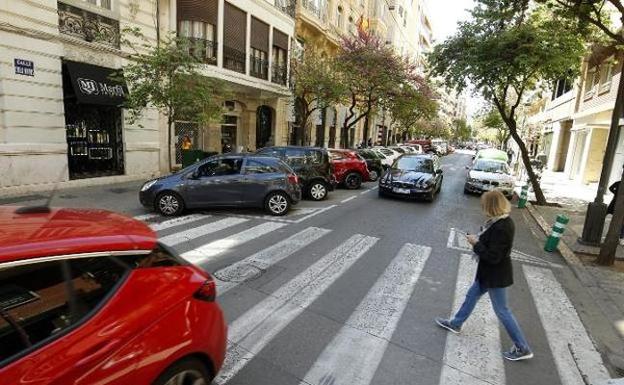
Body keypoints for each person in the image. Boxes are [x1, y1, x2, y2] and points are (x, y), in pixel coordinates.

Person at [435, 190, 533, 361]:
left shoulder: (503, 227)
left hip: (495, 276)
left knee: (502, 311)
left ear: (491, 206)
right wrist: (478, 239)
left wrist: (476, 243)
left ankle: (523, 347)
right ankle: (456, 323)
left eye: (484, 205)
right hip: (488, 274)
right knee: (471, 295)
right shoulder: (499, 221)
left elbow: (493, 257)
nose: (482, 208)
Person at [607, 179, 624, 245]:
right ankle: (621, 237)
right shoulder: (618, 183)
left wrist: (615, 192)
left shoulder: (618, 183)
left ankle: (621, 237)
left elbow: (610, 188)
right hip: (616, 203)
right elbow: (610, 188)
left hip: (615, 202)